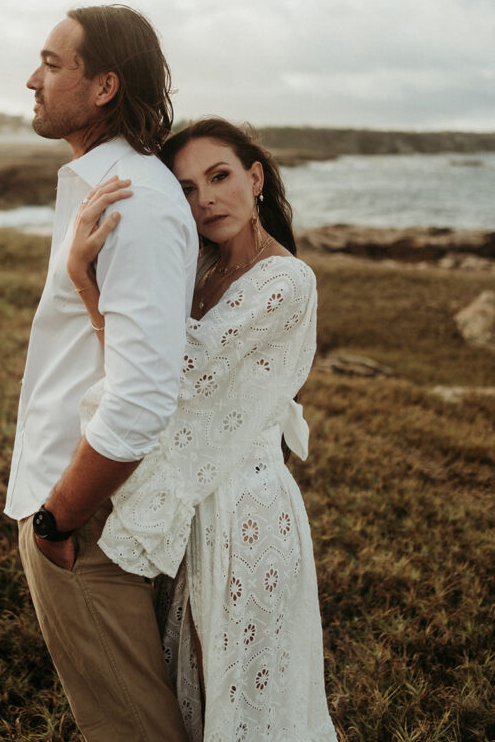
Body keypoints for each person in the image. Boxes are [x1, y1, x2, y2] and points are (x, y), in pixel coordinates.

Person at [68, 118, 338, 741]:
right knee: (183, 681)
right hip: (189, 498)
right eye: (186, 189)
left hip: (244, 511)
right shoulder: (199, 266)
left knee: (237, 691)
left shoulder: (286, 280)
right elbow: (149, 367)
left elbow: (172, 377)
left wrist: (88, 283)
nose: (205, 199)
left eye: (219, 177)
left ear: (256, 177)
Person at [4, 5, 198, 741]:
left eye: (53, 65)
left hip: (85, 517)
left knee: (129, 726)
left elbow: (145, 393)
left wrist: (60, 517)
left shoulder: (135, 202)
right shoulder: (107, 186)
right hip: (72, 499)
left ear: (104, 86)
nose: (32, 78)